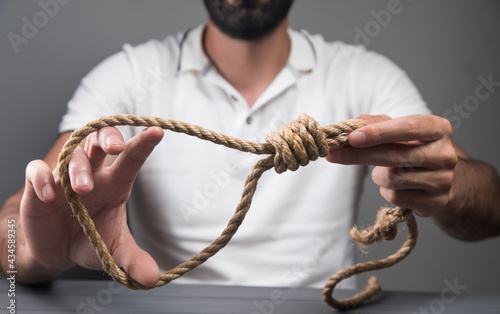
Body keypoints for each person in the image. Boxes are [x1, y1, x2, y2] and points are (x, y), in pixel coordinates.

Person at [1, 0, 499, 289]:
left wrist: (448, 186)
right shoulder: (127, 76)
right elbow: (9, 231)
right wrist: (32, 250)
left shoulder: (364, 74)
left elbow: (491, 207)